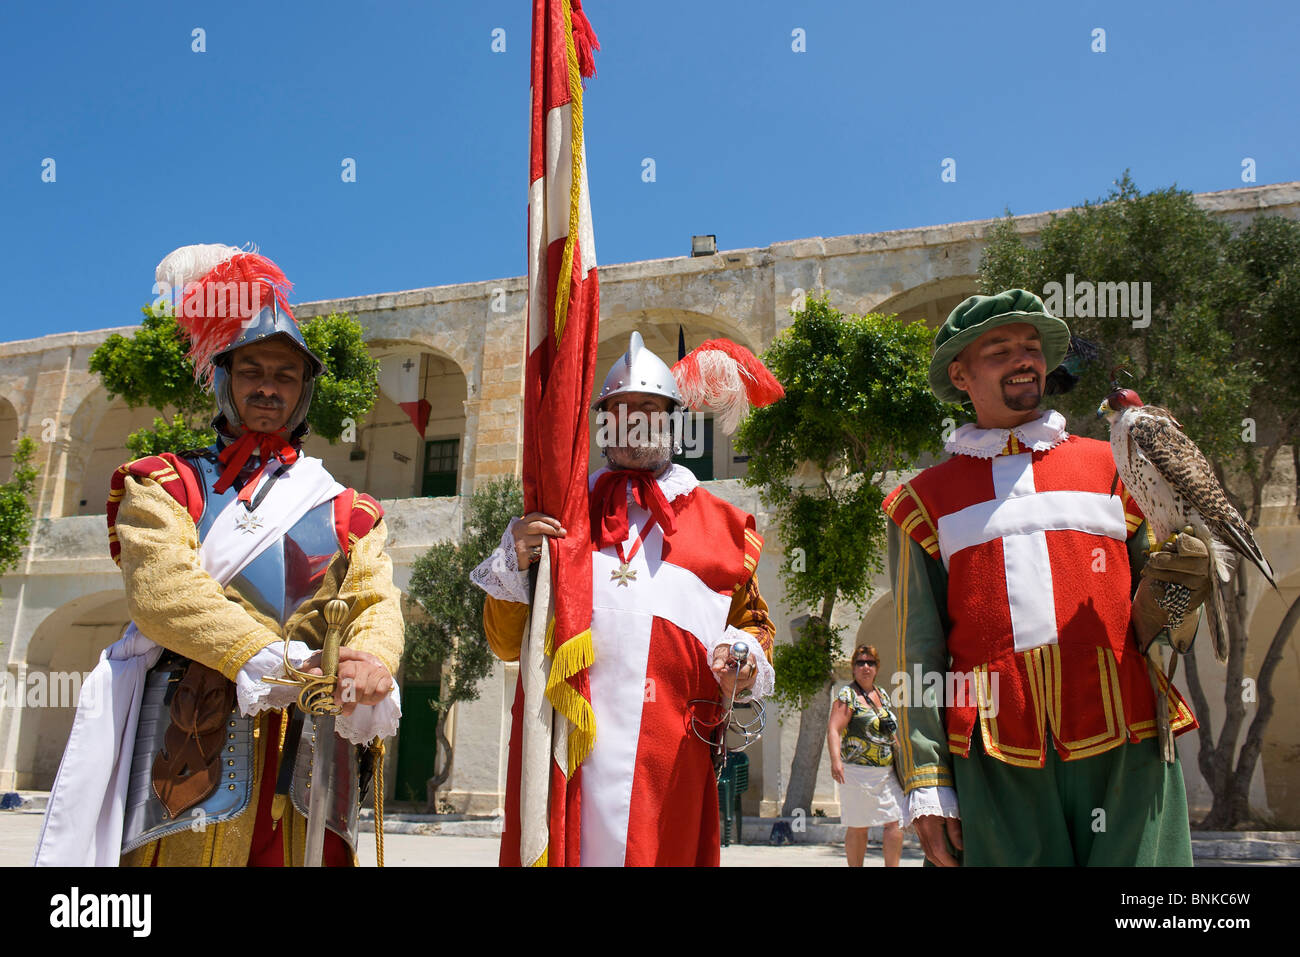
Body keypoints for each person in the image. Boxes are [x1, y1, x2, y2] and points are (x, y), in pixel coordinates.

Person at [34, 245, 404, 867]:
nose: (267, 386)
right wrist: (273, 659)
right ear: (223, 379)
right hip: (192, 731)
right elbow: (164, 594)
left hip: (311, 743)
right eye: (252, 369)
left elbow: (373, 597)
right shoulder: (166, 484)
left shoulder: (348, 510)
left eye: (286, 375)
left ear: (304, 392)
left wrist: (369, 656)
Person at [882, 289, 1212, 866]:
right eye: (1000, 349)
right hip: (993, 758)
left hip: (1127, 741)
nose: (1023, 359)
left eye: (1032, 347)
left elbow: (1160, 607)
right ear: (960, 374)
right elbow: (919, 652)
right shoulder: (921, 502)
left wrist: (1178, 597)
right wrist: (927, 782)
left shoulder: (1118, 467)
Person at [471, 332, 777, 866]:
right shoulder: (557, 519)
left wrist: (745, 658)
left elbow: (754, 629)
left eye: (650, 411)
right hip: (567, 765)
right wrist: (517, 563)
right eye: (620, 411)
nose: (634, 424)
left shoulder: (727, 531)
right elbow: (503, 643)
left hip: (671, 767)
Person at [827, 644, 905, 867]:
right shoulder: (847, 695)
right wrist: (835, 761)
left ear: (877, 667)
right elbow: (834, 729)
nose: (866, 667)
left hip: (886, 771)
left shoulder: (882, 694)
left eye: (870, 662)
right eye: (860, 663)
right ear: (853, 668)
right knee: (859, 825)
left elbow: (890, 731)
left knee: (895, 822)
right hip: (857, 772)